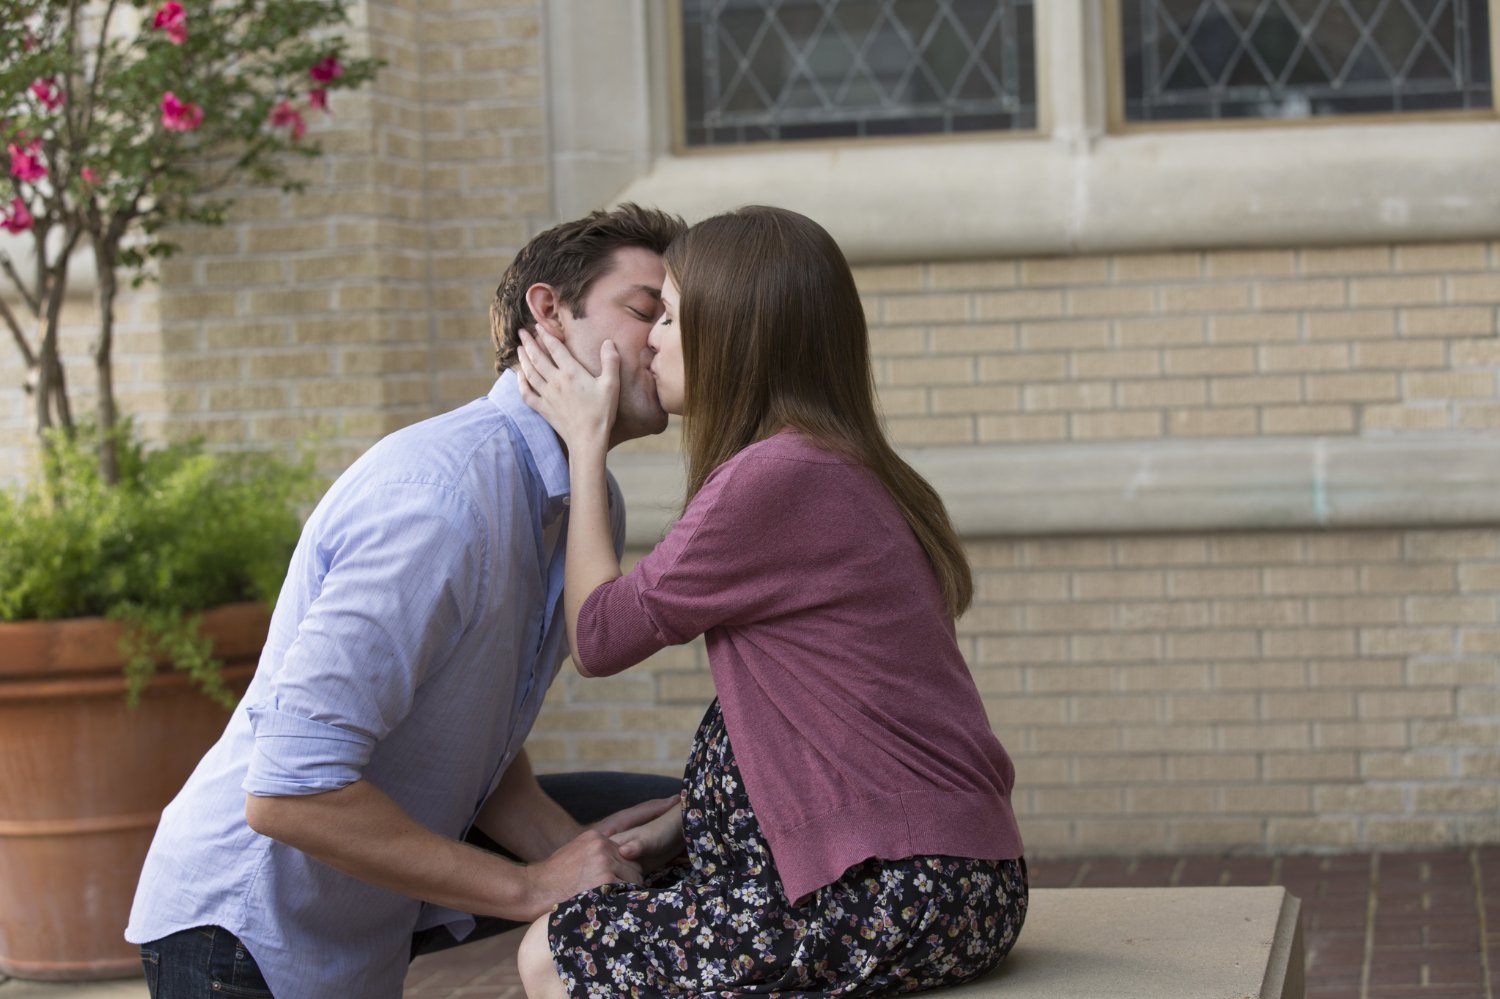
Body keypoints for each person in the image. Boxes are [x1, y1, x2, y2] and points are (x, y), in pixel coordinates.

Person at [126, 203, 688, 999]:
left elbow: (477, 749)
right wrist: (534, 886)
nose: (663, 337)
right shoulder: (442, 498)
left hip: (351, 936)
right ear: (549, 311)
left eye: (674, 318)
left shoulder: (583, 503)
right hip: (241, 937)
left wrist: (586, 863)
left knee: (652, 815)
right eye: (643, 310)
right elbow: (289, 787)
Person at [512, 205, 1027, 998]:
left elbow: (598, 637)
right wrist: (688, 818)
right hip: (936, 877)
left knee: (556, 949)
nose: (651, 339)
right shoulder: (837, 464)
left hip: (898, 887)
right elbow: (840, 714)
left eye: (671, 315)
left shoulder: (775, 475)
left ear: (735, 334)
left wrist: (586, 444)